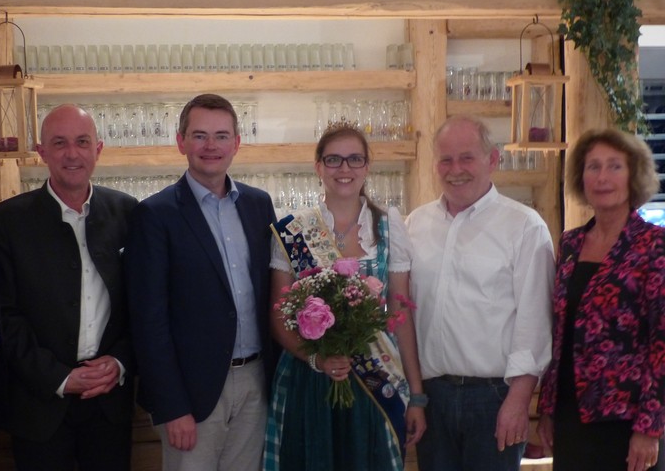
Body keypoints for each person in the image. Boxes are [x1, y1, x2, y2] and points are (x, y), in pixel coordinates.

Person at [124, 93, 276, 471]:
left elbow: (273, 293)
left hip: (256, 381)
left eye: (221, 136)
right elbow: (148, 321)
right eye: (200, 136)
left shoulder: (259, 205)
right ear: (181, 142)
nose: (211, 146)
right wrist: (172, 406)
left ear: (236, 143)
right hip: (191, 394)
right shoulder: (155, 214)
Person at [264, 122, 427, 471]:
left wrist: (416, 395)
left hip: (377, 378)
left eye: (355, 159)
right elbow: (278, 317)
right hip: (308, 380)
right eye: (333, 159)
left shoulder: (388, 227)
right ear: (318, 166)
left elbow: (400, 315)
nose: (344, 168)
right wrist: (317, 360)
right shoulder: (294, 230)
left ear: (367, 166)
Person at [0, 104, 137, 470]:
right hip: (38, 406)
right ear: (42, 152)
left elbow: (142, 306)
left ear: (98, 149)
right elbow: (5, 317)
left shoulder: (128, 212)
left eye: (82, 142)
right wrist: (60, 377)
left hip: (109, 404)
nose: (72, 153)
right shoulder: (6, 221)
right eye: (59, 143)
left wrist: (120, 362)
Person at [405, 115, 555, 471]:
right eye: (446, 159)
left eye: (467, 158)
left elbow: (535, 323)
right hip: (431, 397)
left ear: (493, 160)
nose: (456, 169)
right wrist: (414, 395)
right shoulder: (415, 225)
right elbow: (404, 313)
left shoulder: (525, 226)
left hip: (495, 397)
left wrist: (519, 401)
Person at [537, 129, 665, 471]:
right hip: (570, 414)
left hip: (628, 421)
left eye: (614, 166)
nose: (602, 177)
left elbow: (662, 344)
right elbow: (560, 334)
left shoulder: (655, 245)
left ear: (634, 175)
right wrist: (547, 408)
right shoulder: (570, 244)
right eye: (593, 166)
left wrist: (649, 428)